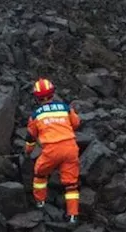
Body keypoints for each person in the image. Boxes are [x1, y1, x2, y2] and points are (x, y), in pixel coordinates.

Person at [24, 77, 82, 223]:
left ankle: (40, 201)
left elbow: (31, 137)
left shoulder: (36, 115)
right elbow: (76, 123)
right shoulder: (65, 108)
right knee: (71, 184)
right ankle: (73, 215)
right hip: (70, 148)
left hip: (52, 151)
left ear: (37, 97)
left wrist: (28, 152)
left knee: (40, 173)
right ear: (53, 93)